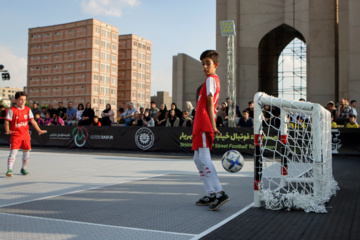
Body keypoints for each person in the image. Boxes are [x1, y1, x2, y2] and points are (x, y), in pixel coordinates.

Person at [192, 50, 229, 211]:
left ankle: (219, 193)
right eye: (203, 63)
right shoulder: (210, 80)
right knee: (197, 158)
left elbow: (209, 102)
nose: (205, 66)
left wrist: (213, 125)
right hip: (200, 122)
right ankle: (211, 193)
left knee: (205, 158)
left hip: (205, 122)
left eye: (208, 63)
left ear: (216, 65)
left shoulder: (211, 80)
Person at [4, 91, 47, 177]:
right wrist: (8, 130)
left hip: (25, 135)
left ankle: (23, 168)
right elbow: (6, 121)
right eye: (20, 100)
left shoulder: (27, 109)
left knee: (26, 152)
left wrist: (39, 130)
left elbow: (32, 120)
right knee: (13, 152)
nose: (22, 101)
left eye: (24, 100)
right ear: (16, 100)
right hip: (16, 134)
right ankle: (9, 169)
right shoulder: (12, 110)